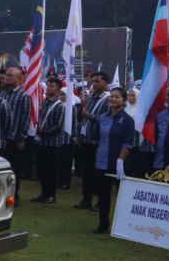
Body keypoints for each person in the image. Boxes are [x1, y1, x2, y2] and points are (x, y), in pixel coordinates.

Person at [93, 87, 135, 234]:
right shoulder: (102, 118)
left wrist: (120, 161)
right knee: (103, 195)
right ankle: (103, 224)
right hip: (102, 161)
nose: (113, 99)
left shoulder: (128, 120)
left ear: (124, 101)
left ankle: (123, 226)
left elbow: (128, 143)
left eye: (117, 97)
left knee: (122, 195)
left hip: (120, 163)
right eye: (111, 96)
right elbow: (96, 137)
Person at [74, 71, 110, 210]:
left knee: (100, 174)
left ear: (105, 84)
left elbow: (107, 121)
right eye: (93, 81)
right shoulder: (88, 99)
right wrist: (81, 111)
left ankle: (101, 202)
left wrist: (90, 116)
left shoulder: (108, 100)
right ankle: (86, 199)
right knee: (87, 172)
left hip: (99, 142)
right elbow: (81, 119)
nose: (94, 84)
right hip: (86, 140)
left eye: (97, 81)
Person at [32, 78, 65, 203]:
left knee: (51, 170)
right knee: (41, 169)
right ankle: (44, 192)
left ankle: (51, 194)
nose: (48, 88)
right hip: (41, 142)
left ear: (58, 89)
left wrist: (44, 132)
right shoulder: (43, 103)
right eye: (48, 85)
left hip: (52, 143)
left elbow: (59, 125)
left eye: (51, 86)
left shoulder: (59, 105)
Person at [0, 67, 30, 205]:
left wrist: (21, 138)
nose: (6, 77)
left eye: (10, 75)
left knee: (14, 169)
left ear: (19, 78)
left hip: (14, 138)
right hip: (1, 138)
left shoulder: (23, 96)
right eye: (6, 75)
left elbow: (25, 117)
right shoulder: (2, 94)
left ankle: (14, 195)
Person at [58, 89, 79, 190]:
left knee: (66, 162)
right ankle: (59, 181)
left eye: (64, 94)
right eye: (60, 94)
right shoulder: (58, 106)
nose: (62, 96)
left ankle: (66, 182)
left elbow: (75, 122)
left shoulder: (72, 108)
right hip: (58, 138)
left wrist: (74, 135)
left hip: (68, 138)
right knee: (58, 161)